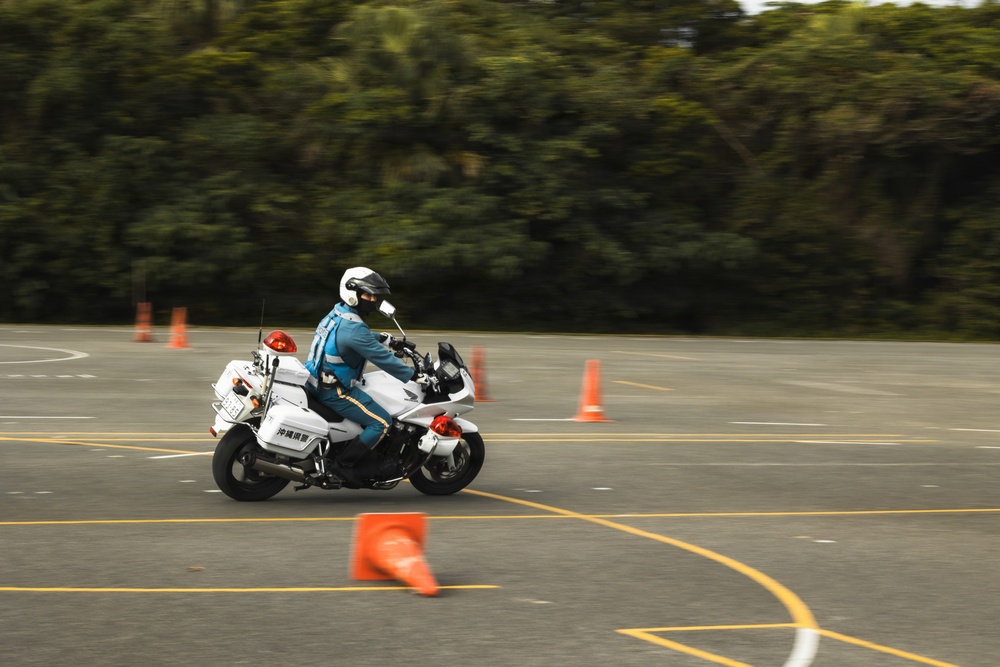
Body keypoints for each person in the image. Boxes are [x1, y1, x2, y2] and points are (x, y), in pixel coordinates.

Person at [304, 267, 419, 485]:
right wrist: (413, 375)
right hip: (335, 391)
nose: (373, 300)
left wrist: (385, 338)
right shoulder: (355, 330)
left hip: (315, 380)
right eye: (368, 295)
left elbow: (356, 335)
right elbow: (382, 359)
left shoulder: (337, 313)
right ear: (352, 294)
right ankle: (343, 466)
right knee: (382, 422)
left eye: (375, 295)